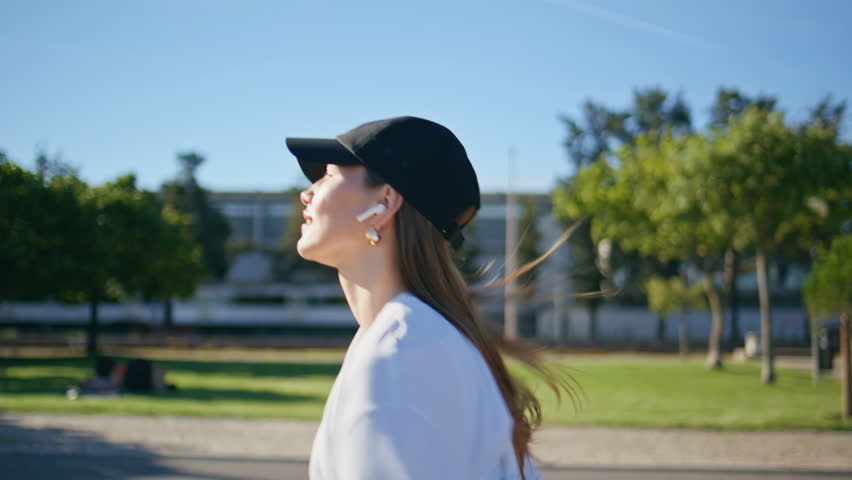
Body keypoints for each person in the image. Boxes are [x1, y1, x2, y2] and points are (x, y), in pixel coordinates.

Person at [286, 116, 573, 480]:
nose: (307, 192)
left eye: (328, 174)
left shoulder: (399, 352)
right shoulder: (414, 338)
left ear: (385, 201)